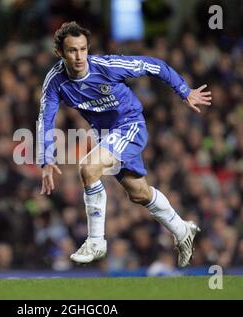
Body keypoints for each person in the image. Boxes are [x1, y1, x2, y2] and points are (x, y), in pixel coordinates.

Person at [37, 21, 212, 267]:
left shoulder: (108, 67)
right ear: (60, 53)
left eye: (83, 49)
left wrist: (184, 91)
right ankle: (182, 229)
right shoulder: (55, 81)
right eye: (72, 50)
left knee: (88, 169)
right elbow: (45, 118)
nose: (79, 56)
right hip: (106, 135)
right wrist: (45, 159)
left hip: (130, 125)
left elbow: (155, 65)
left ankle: (96, 241)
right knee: (139, 194)